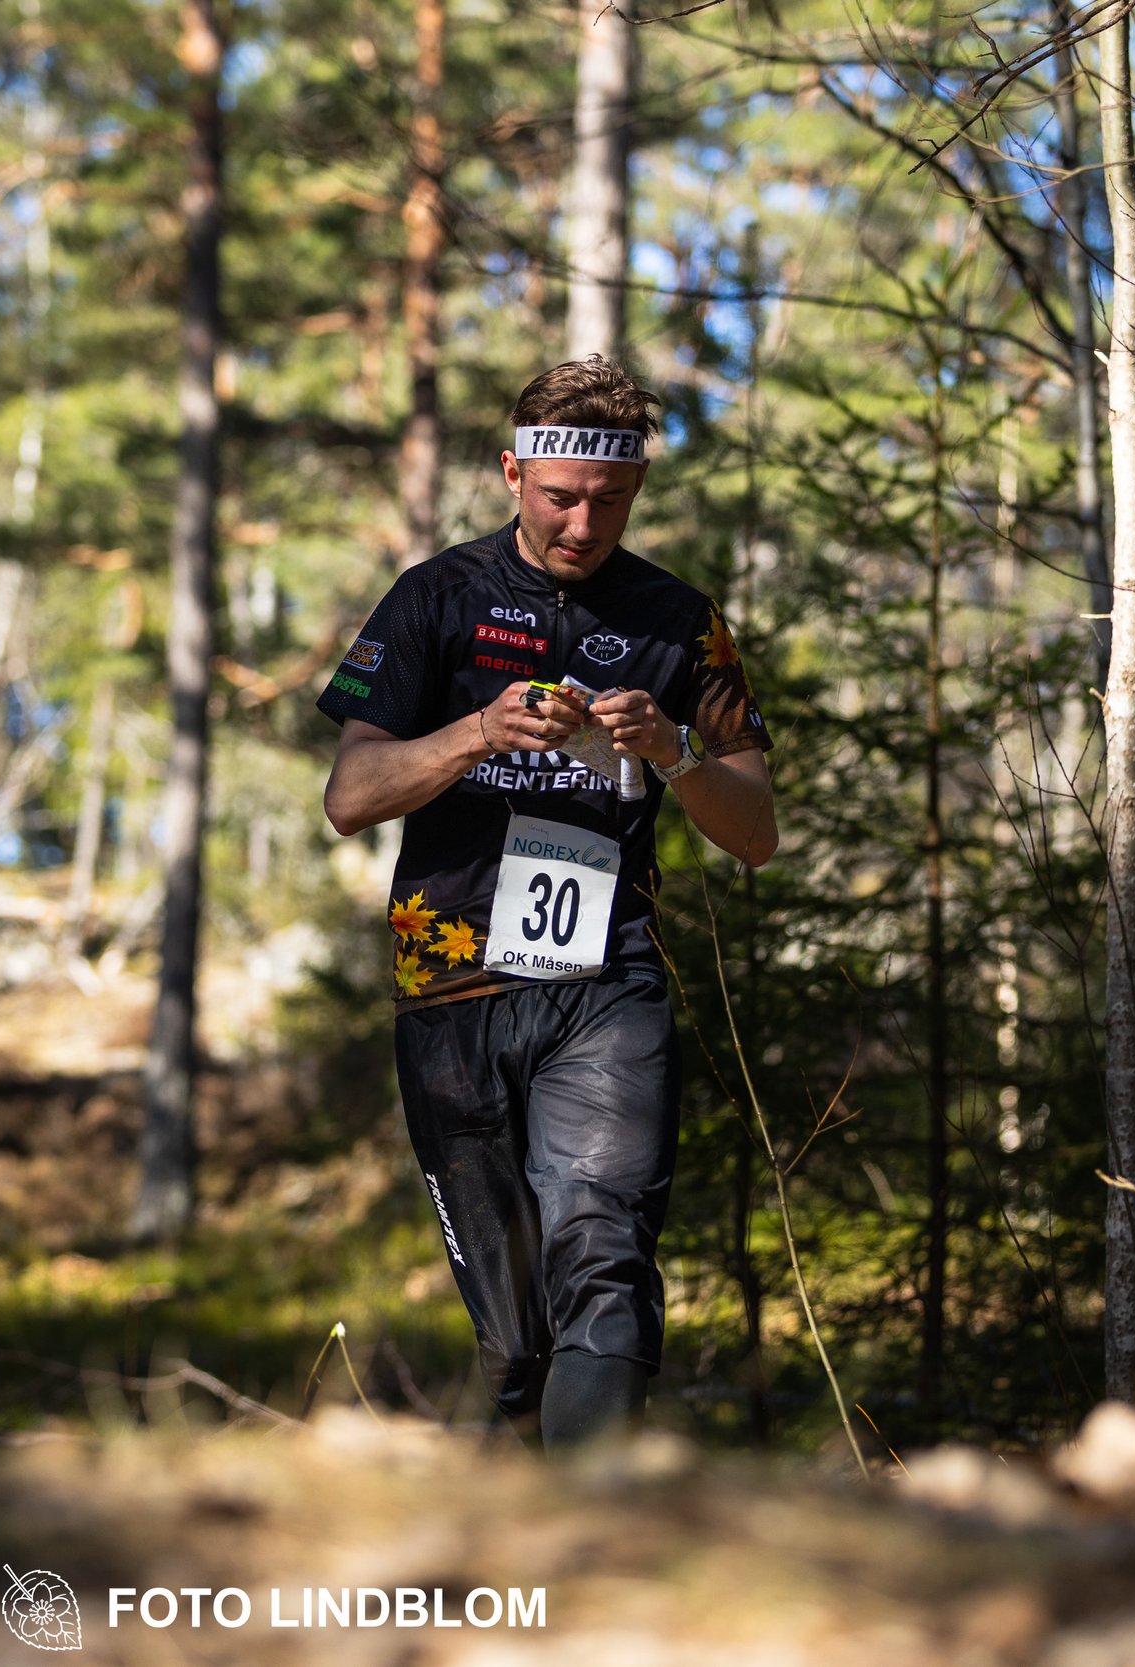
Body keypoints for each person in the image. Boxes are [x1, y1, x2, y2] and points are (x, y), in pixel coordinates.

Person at [317, 356, 777, 1448]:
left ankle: (596, 1509)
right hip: (450, 986)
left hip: (603, 980)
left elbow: (755, 831)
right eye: (559, 496)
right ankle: (530, 1536)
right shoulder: (438, 597)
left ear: (637, 490)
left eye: (607, 501)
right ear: (513, 473)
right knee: (516, 1336)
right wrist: (477, 731)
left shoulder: (677, 620)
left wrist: (672, 753)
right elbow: (349, 797)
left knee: (602, 1249)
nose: (581, 523)